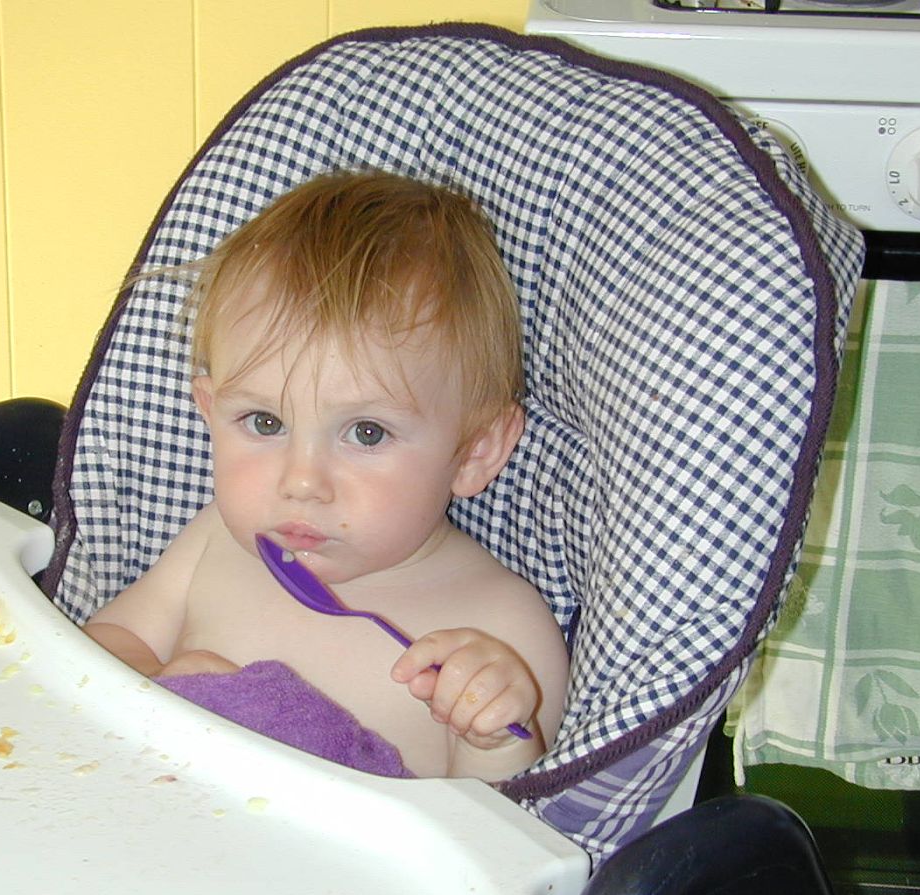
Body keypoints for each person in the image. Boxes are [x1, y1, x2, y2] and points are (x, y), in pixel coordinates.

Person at [83, 170, 568, 779]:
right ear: (209, 410)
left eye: (366, 433)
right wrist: (159, 687)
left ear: (475, 451)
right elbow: (105, 645)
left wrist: (493, 742)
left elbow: (496, 822)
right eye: (264, 422)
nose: (302, 482)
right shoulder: (214, 542)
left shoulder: (499, 629)